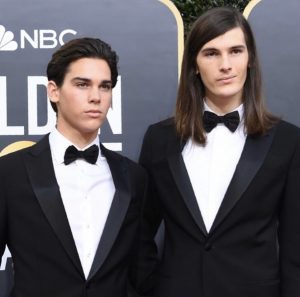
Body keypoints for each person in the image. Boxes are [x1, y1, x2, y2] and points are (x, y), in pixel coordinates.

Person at [136, 7, 300, 297]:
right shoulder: (160, 139)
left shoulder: (287, 141)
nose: (226, 64)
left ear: (250, 60)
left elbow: (294, 246)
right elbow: (139, 230)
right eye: (211, 53)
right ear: (195, 65)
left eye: (235, 51)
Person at [0, 37, 147, 297]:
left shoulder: (133, 177)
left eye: (105, 86)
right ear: (53, 91)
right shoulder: (9, 173)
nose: (95, 97)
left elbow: (140, 269)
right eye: (82, 84)